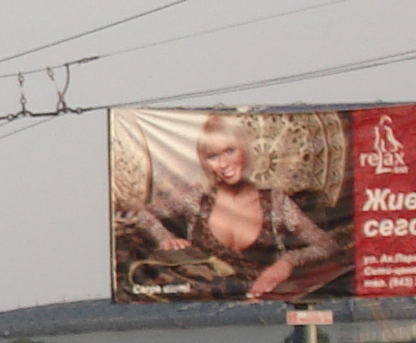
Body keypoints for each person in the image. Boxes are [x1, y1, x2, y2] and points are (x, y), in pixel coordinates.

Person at [123, 113, 339, 300]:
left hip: (269, 307)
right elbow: (144, 214)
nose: (224, 164)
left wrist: (286, 263)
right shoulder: (197, 199)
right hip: (205, 309)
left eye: (229, 151)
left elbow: (326, 245)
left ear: (243, 150)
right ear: (204, 162)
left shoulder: (275, 203)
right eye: (213, 156)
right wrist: (165, 238)